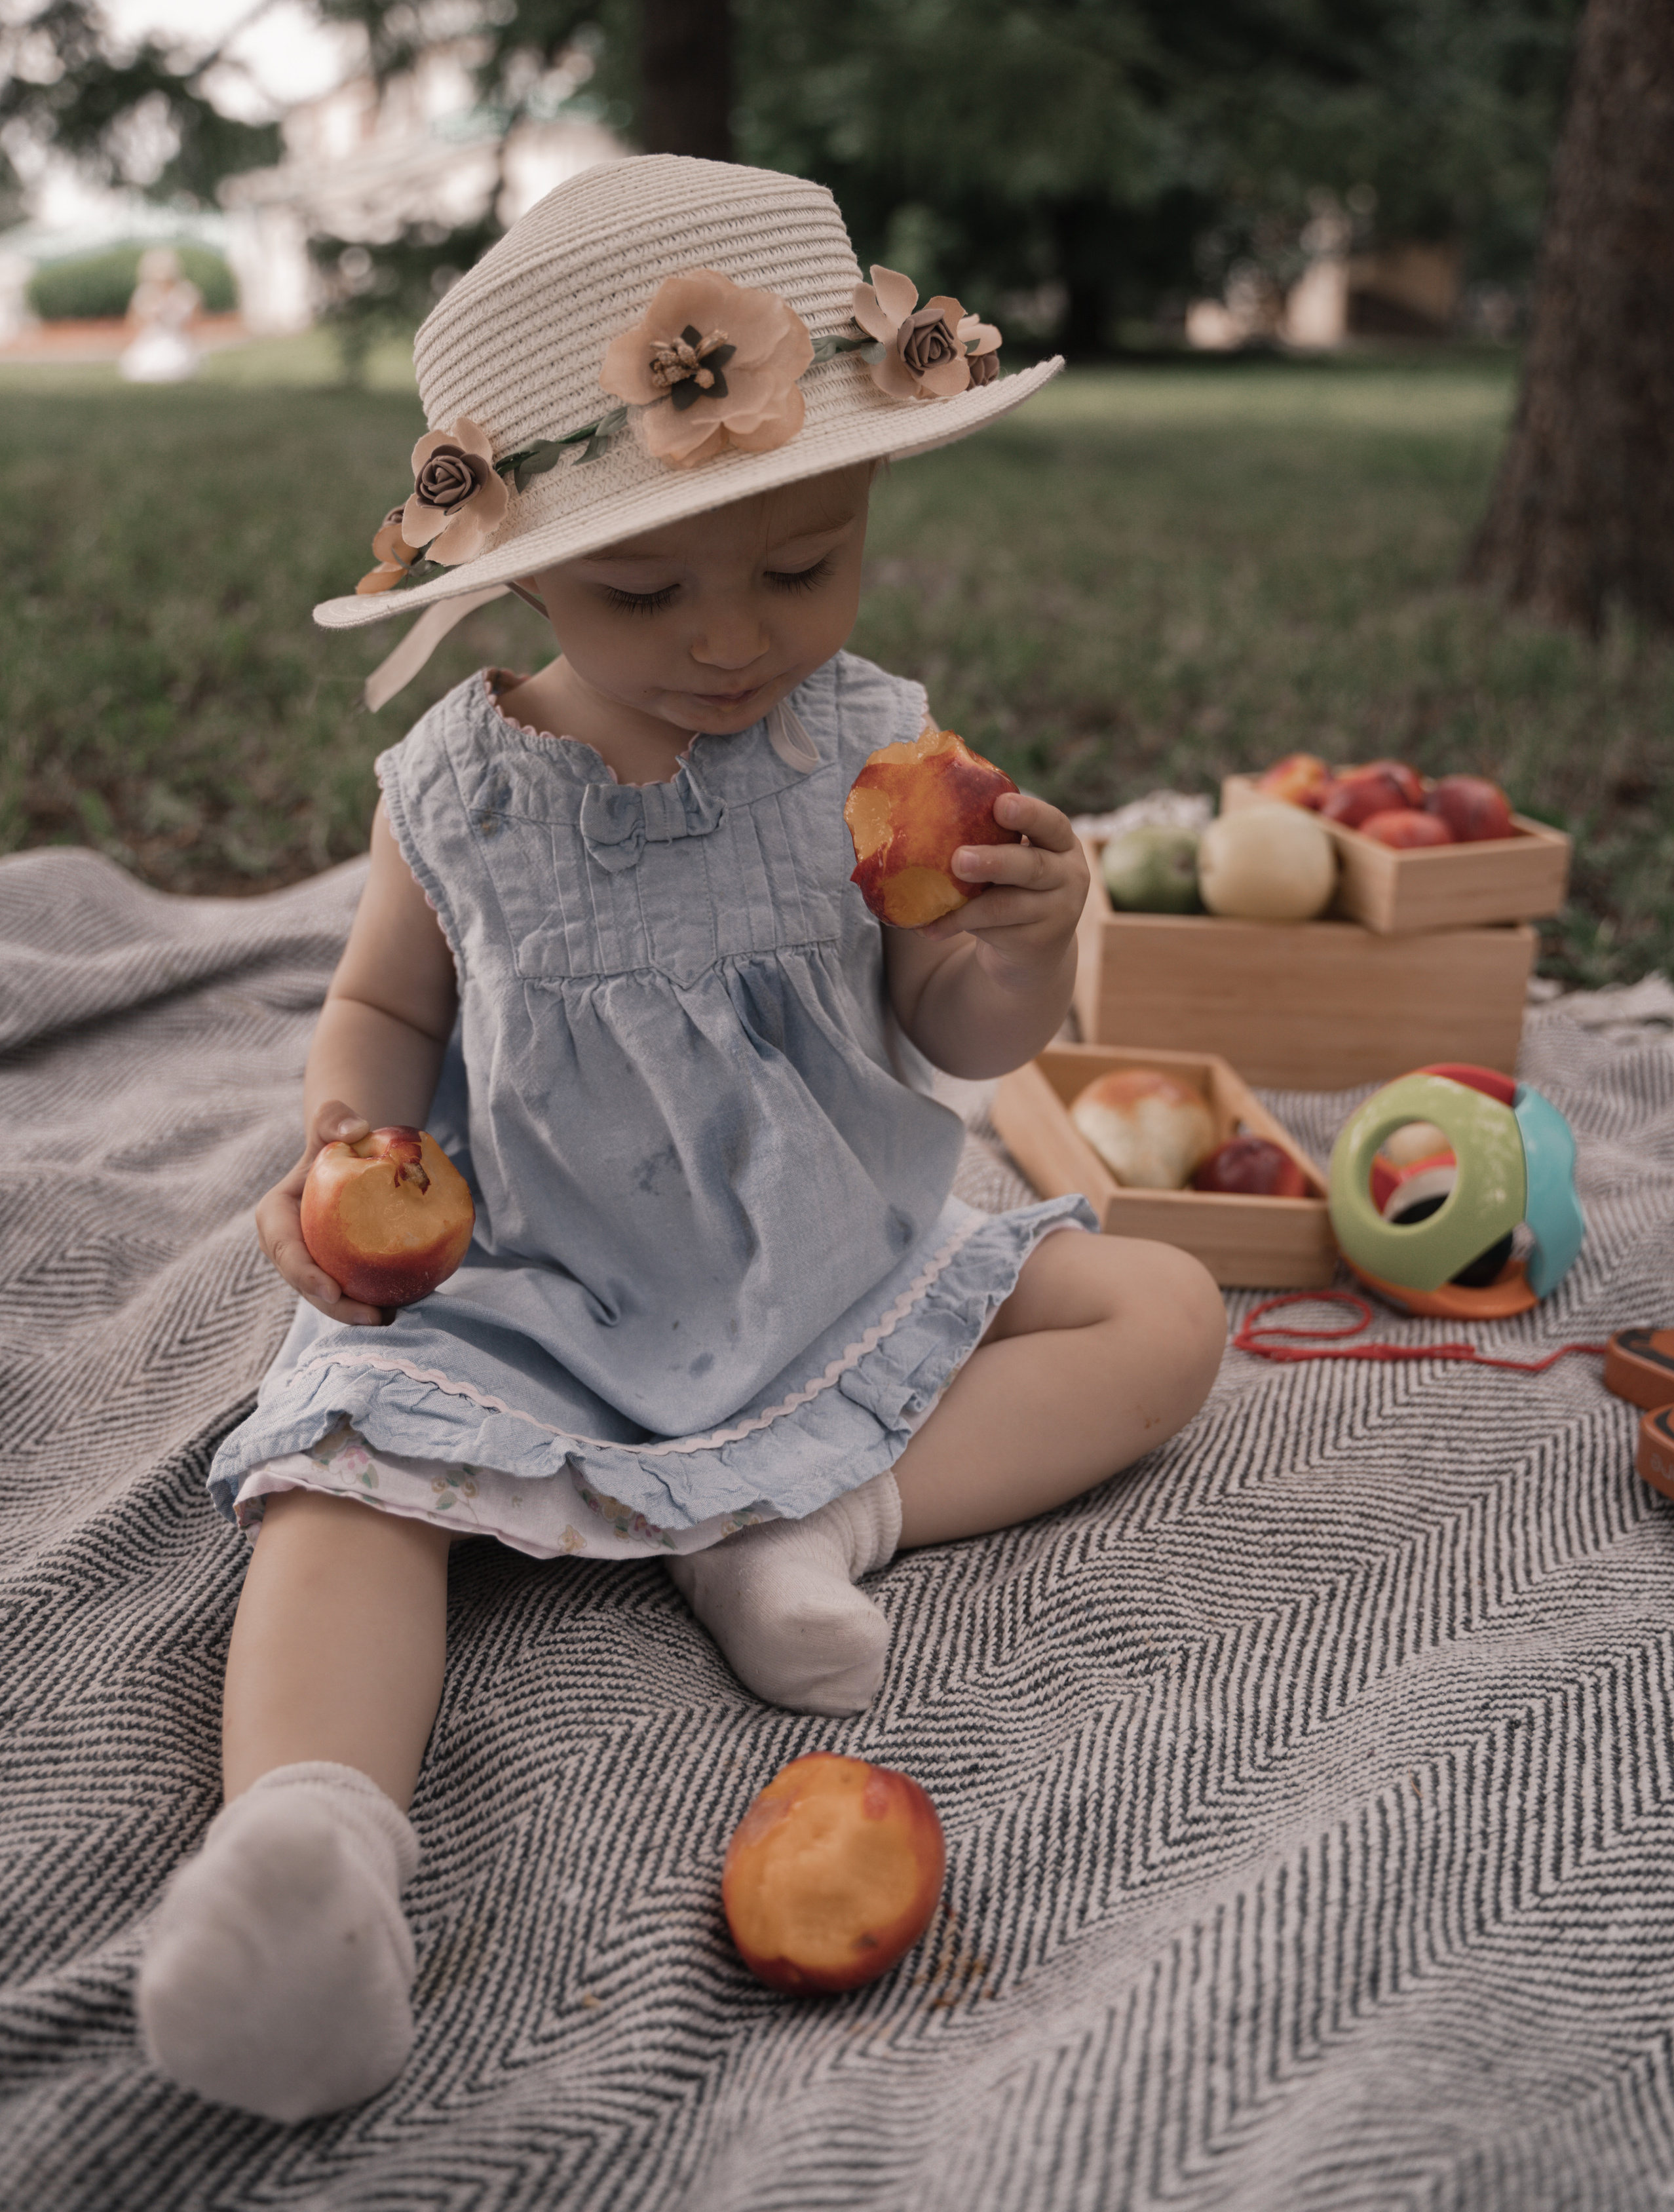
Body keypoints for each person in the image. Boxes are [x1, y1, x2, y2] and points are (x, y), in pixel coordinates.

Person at [135, 157, 1226, 2124]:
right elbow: (386, 1006)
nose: (732, 639)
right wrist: (347, 1140)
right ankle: (310, 1849)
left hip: (826, 1254)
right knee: (339, 1477)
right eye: (647, 589)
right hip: (538, 1273)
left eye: (798, 565)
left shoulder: (866, 745)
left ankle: (814, 1518)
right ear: (518, 572)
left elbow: (946, 1031)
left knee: (1158, 1303)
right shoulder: (458, 786)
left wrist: (1027, 941)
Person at [119, 245, 202, 383]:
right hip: (152, 339)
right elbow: (133, 322)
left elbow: (195, 322)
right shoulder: (145, 293)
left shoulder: (185, 292)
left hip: (177, 340)